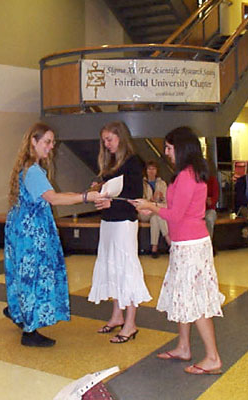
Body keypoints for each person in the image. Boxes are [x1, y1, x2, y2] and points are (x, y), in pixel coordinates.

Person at [132, 126, 224, 375]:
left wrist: (151, 206)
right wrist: (155, 205)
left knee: (196, 300)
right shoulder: (188, 173)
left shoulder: (186, 175)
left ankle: (213, 357)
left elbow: (175, 214)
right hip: (188, 243)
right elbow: (178, 209)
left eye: (169, 148)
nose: (166, 152)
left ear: (181, 148)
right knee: (185, 295)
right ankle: (184, 346)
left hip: (191, 245)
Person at [4, 122, 103, 347]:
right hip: (31, 236)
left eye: (52, 142)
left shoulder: (29, 168)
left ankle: (17, 311)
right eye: (47, 142)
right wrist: (86, 197)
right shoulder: (33, 171)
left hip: (23, 231)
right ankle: (29, 331)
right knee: (34, 278)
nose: (51, 147)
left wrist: (84, 194)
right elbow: (54, 198)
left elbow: (54, 194)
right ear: (33, 142)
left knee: (23, 276)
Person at [89, 121, 152, 344]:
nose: (106, 145)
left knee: (126, 269)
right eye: (104, 141)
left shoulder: (133, 162)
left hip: (124, 222)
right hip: (109, 223)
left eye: (110, 140)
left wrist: (111, 204)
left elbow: (134, 199)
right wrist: (98, 190)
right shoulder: (112, 162)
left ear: (121, 138)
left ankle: (131, 323)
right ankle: (117, 315)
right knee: (112, 267)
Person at [139, 160, 171, 258]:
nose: (151, 171)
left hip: (157, 210)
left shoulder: (162, 183)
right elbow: (140, 201)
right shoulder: (142, 184)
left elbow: (167, 202)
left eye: (153, 169)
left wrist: (161, 198)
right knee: (156, 214)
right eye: (149, 169)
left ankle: (154, 248)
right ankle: (169, 241)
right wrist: (151, 200)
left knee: (156, 216)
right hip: (144, 211)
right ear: (146, 170)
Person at [205, 164, 219, 255]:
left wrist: (206, 200)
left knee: (209, 219)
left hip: (209, 210)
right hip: (196, 210)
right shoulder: (194, 180)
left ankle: (208, 246)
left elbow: (214, 199)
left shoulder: (212, 180)